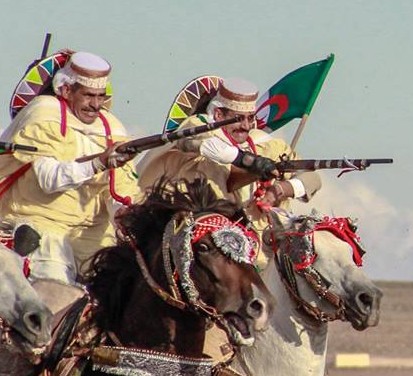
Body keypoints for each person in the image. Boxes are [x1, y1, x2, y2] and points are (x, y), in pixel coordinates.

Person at [0, 52, 141, 376]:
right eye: (87, 96)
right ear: (66, 89)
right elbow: (49, 177)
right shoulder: (43, 112)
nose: (95, 105)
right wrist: (99, 163)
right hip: (39, 228)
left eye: (101, 98)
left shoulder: (111, 125)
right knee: (55, 312)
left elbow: (124, 193)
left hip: (93, 236)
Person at [138, 78, 321, 255]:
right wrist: (253, 164)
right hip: (200, 246)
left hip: (261, 253)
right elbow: (216, 150)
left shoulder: (267, 145)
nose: (246, 126)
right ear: (218, 115)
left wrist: (280, 190)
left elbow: (312, 179)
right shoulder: (198, 127)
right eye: (239, 119)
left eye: (251, 119)